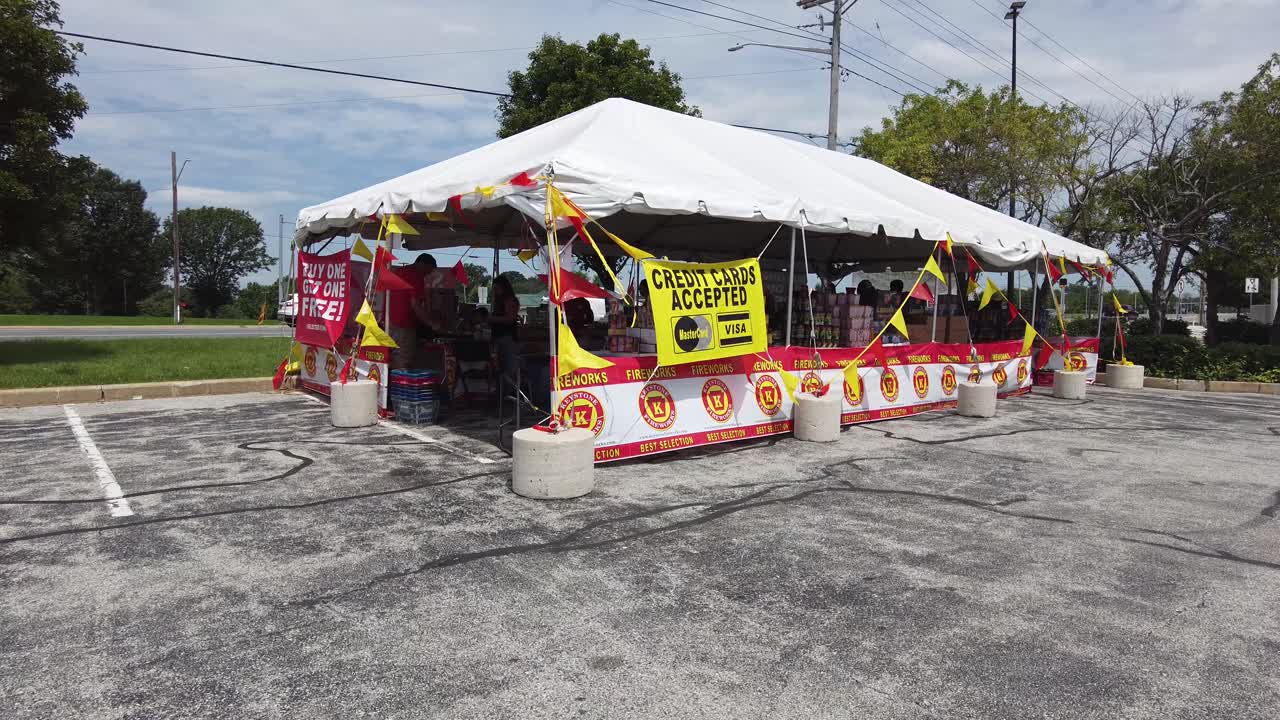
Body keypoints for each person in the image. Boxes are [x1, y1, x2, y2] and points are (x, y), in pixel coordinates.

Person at [489, 275, 521, 381]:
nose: (495, 291)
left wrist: (493, 319)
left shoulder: (510, 300)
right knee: (499, 368)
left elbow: (510, 318)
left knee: (509, 368)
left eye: (497, 289)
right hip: (498, 337)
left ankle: (510, 391)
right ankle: (502, 390)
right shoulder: (498, 301)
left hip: (507, 337)